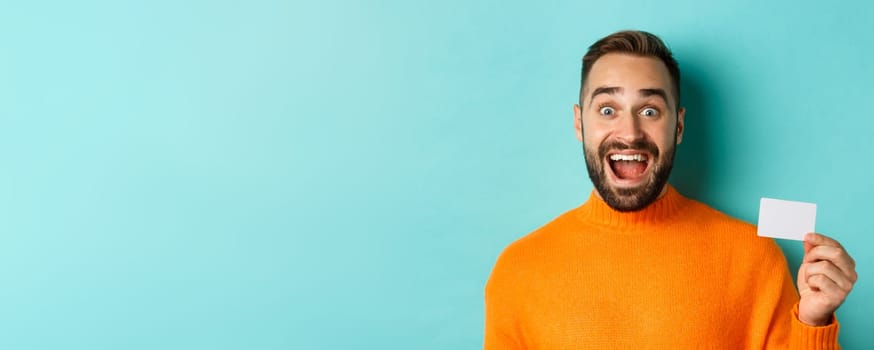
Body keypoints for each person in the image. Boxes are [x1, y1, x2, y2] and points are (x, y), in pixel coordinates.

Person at [483, 30, 857, 349]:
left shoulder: (753, 259)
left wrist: (813, 323)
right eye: (608, 110)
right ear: (579, 123)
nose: (629, 132)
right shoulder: (518, 271)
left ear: (678, 127)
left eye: (649, 111)